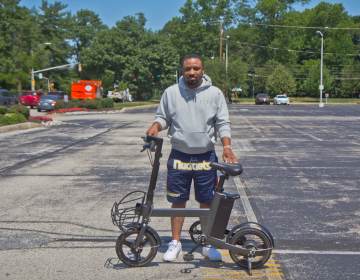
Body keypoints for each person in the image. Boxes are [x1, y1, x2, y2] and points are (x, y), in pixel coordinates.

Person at [146, 54, 238, 262]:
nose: (192, 72)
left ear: (202, 70)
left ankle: (206, 243)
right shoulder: (171, 92)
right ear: (182, 71)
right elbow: (163, 117)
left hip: (206, 157)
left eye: (196, 68)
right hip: (179, 156)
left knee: (207, 201)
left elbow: (222, 123)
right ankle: (175, 242)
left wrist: (227, 146)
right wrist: (155, 126)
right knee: (178, 201)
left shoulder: (215, 94)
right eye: (188, 69)